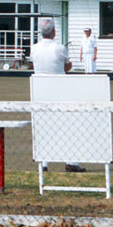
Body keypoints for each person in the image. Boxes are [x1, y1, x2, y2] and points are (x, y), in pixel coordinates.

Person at [29, 19, 84, 172]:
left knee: (43, 127)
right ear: (53, 31)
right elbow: (68, 66)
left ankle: (44, 164)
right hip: (59, 91)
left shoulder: (34, 48)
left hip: (40, 91)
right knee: (68, 127)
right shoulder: (59, 48)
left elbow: (33, 65)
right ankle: (71, 161)